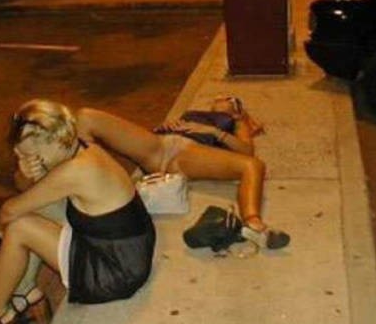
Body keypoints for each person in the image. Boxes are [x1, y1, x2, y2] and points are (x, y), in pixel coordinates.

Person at [0, 99, 155, 324]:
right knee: (29, 213)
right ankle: (24, 293)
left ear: (55, 142)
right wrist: (25, 172)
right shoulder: (81, 146)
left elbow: (9, 210)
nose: (30, 160)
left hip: (115, 272)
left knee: (19, 227)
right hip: (122, 248)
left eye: (32, 155)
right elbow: (27, 193)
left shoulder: (75, 171)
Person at [76, 95, 290, 249]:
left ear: (235, 107)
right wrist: (167, 125)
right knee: (86, 117)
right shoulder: (196, 114)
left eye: (227, 97)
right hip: (158, 146)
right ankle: (80, 178)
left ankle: (252, 223)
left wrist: (213, 131)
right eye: (217, 97)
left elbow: (247, 151)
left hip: (189, 154)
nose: (219, 98)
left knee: (253, 166)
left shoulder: (235, 121)